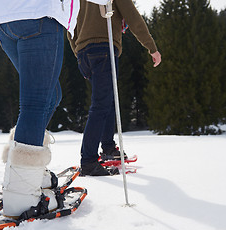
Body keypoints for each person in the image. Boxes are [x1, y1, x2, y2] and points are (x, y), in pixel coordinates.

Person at [0, 0, 80, 218]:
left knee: (51, 95)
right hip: (38, 14)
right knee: (35, 102)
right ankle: (21, 195)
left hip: (1, 19)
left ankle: (21, 171)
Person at [68, 0, 162, 176]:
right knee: (101, 105)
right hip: (103, 46)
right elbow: (132, 16)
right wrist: (152, 47)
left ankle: (108, 148)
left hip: (84, 52)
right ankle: (88, 160)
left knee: (108, 101)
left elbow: (70, 23)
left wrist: (79, 53)